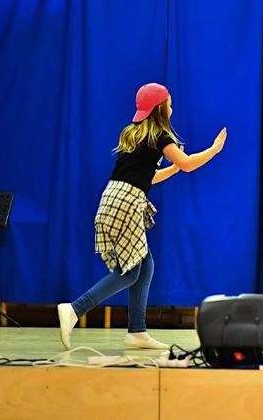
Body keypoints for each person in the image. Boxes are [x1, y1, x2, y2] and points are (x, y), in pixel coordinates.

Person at [57, 83, 227, 350]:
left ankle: (136, 332)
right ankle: (75, 309)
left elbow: (146, 177)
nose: (172, 108)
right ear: (160, 108)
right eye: (169, 104)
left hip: (114, 197)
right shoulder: (161, 136)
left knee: (144, 266)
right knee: (129, 272)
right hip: (126, 203)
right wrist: (214, 150)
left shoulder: (134, 134)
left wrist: (173, 169)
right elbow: (188, 163)